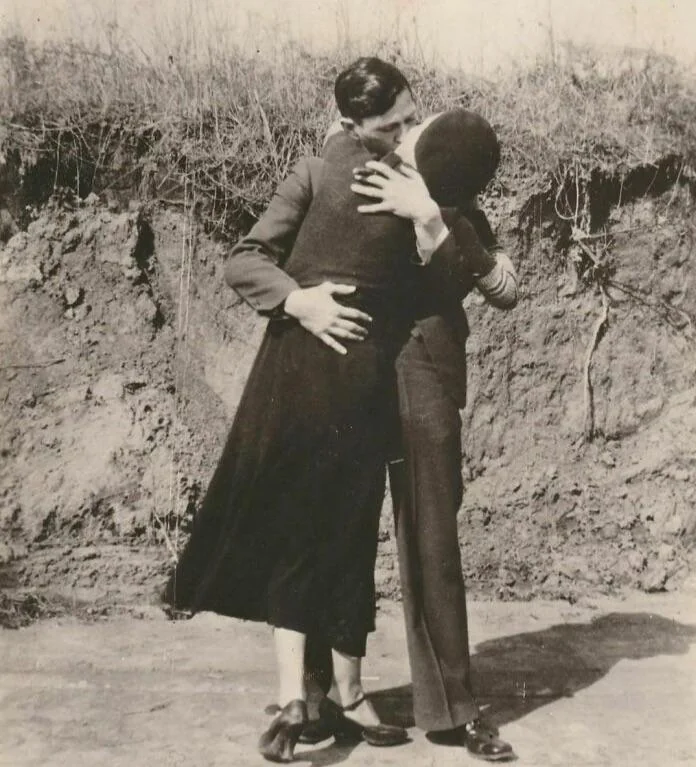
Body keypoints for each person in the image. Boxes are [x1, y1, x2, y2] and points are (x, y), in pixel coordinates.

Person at [244, 59, 518, 763]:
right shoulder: (334, 172)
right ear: (352, 126)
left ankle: (456, 708)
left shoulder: (438, 169)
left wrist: (430, 219)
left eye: (406, 119)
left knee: (432, 539)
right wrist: (301, 301)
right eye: (386, 126)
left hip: (422, 368)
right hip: (352, 369)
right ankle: (316, 699)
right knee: (334, 526)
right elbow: (275, 258)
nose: (401, 135)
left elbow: (503, 283)